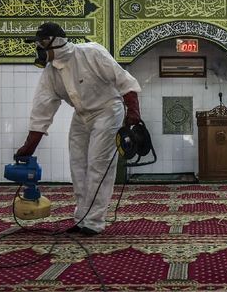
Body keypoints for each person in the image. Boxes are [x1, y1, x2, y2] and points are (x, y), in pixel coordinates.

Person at [15, 22, 142, 236]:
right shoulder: (50, 73)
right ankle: (82, 217)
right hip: (82, 115)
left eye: (42, 43)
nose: (39, 49)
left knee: (97, 165)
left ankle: (94, 221)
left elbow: (124, 81)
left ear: (56, 42)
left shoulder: (91, 53)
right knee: (78, 166)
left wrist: (133, 112)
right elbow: (42, 110)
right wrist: (28, 147)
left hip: (108, 110)